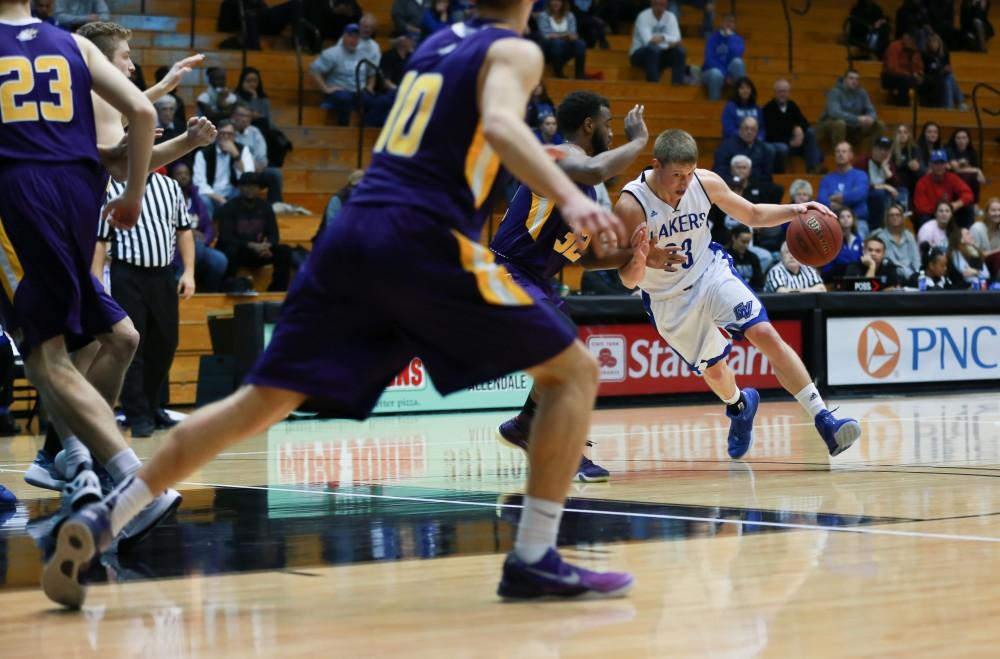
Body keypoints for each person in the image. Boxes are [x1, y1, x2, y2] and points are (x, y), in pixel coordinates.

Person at [47, 0, 636, 609]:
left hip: (355, 228)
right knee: (574, 374)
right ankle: (535, 556)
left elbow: (458, 132)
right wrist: (571, 194)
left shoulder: (434, 46)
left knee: (259, 403)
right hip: (422, 235)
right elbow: (499, 125)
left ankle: (104, 522)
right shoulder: (515, 48)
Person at [0, 1, 183, 602]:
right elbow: (141, 108)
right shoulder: (72, 45)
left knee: (45, 351)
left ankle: (130, 484)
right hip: (80, 191)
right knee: (104, 336)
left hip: (21, 186)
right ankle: (78, 475)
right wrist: (132, 194)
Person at [615, 128, 861, 464]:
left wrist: (798, 209)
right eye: (676, 175)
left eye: (689, 174)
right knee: (715, 373)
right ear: (656, 166)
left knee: (766, 334)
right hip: (668, 299)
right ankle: (739, 406)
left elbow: (753, 214)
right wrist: (642, 260)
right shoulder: (632, 204)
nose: (684, 184)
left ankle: (825, 420)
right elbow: (628, 280)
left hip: (710, 273)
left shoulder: (704, 182)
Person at [492, 92, 667, 483]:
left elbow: (584, 257)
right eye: (607, 123)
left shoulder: (584, 189)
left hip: (537, 280)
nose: (610, 130)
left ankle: (526, 425)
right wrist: (638, 142)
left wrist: (638, 255)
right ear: (590, 124)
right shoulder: (557, 157)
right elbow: (594, 169)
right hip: (509, 271)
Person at [96, 173, 195, 437]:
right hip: (127, 275)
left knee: (166, 342)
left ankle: (151, 406)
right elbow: (100, 240)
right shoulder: (113, 187)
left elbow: (184, 231)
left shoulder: (170, 186)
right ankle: (137, 414)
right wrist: (97, 283)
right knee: (133, 345)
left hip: (163, 275)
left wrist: (189, 272)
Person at [214, 173, 293, 291]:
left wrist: (267, 245)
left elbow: (274, 234)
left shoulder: (265, 206)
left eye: (254, 186)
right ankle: (228, 287)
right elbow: (226, 237)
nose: (250, 189)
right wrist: (251, 245)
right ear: (240, 188)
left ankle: (277, 290)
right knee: (230, 251)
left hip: (260, 252)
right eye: (246, 186)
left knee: (284, 251)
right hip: (239, 251)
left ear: (259, 189)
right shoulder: (229, 207)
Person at [310, 23, 393, 126]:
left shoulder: (363, 54)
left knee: (383, 101)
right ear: (343, 36)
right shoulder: (332, 53)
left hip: (359, 92)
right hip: (340, 92)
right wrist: (325, 89)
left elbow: (372, 73)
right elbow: (314, 70)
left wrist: (369, 86)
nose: (353, 40)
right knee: (345, 99)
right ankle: (344, 129)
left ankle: (365, 128)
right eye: (350, 36)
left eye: (356, 37)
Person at [170, 162, 229, 292]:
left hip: (199, 247)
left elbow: (208, 227)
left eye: (186, 173)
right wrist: (188, 233)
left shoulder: (197, 199)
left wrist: (204, 240)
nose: (183, 176)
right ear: (172, 178)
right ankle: (178, 279)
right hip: (174, 247)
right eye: (179, 174)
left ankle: (208, 293)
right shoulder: (168, 199)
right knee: (195, 243)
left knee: (220, 260)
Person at [192, 120, 257, 216]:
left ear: (234, 136)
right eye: (222, 133)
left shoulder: (242, 150)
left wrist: (236, 156)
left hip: (233, 193)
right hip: (212, 195)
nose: (226, 137)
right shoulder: (203, 153)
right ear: (216, 135)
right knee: (202, 199)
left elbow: (249, 178)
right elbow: (199, 183)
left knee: (245, 191)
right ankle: (208, 229)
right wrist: (220, 199)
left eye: (229, 134)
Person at [762, 79, 822, 174]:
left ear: (788, 92)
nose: (783, 94)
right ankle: (781, 175)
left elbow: (804, 122)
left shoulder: (792, 105)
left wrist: (799, 128)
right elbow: (770, 135)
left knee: (810, 132)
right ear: (775, 92)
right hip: (779, 145)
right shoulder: (768, 109)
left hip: (795, 143)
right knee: (783, 148)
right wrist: (790, 142)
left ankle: (813, 168)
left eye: (785, 91)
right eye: (780, 91)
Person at [817, 69, 884, 151]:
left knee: (879, 125)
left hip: (853, 127)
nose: (854, 81)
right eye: (851, 78)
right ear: (845, 79)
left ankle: (873, 156)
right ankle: (839, 155)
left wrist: (870, 118)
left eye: (856, 79)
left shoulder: (862, 93)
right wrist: (857, 118)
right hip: (831, 125)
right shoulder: (835, 92)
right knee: (840, 124)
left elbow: (871, 110)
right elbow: (834, 113)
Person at [231, 102, 284, 204]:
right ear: (233, 116)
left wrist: (247, 164)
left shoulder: (255, 132)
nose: (245, 119)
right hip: (232, 173)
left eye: (248, 116)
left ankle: (275, 206)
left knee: (274, 174)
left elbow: (262, 161)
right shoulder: (227, 131)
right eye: (242, 115)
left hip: (254, 172)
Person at [629, 0, 688, 85]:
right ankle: (654, 87)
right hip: (640, 54)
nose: (659, 8)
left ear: (666, 5)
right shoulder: (643, 16)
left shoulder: (671, 17)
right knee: (653, 50)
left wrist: (662, 38)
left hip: (661, 53)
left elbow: (678, 40)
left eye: (662, 5)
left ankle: (677, 87)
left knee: (680, 52)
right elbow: (649, 41)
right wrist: (669, 40)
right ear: (652, 4)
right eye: (656, 4)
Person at [914, 150, 974, 229]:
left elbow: (968, 194)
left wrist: (957, 204)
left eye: (942, 163)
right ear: (931, 165)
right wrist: (940, 210)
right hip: (932, 215)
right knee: (923, 218)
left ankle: (965, 234)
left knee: (968, 208)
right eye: (936, 163)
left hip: (950, 213)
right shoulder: (922, 182)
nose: (939, 166)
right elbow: (920, 208)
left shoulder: (952, 178)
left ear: (946, 165)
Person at [818, 142, 870, 231]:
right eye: (837, 152)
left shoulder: (861, 175)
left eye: (844, 151)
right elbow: (821, 200)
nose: (840, 154)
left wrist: (836, 199)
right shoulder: (827, 178)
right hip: (832, 220)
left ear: (851, 155)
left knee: (862, 227)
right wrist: (848, 198)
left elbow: (859, 195)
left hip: (857, 220)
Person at [857, 136, 904, 231]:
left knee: (902, 192)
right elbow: (860, 186)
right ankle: (876, 228)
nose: (883, 152)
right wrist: (884, 186)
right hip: (867, 197)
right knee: (879, 194)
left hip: (884, 198)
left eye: (886, 150)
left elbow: (897, 185)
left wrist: (886, 169)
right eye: (880, 149)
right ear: (873, 149)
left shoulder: (887, 163)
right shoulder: (862, 162)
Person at [881, 30, 938, 107]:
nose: (913, 43)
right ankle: (903, 107)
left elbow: (919, 66)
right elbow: (891, 68)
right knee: (905, 80)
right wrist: (909, 75)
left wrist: (919, 74)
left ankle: (928, 107)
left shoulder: (914, 49)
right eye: (912, 41)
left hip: (910, 76)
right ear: (906, 38)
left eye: (915, 41)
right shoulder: (894, 46)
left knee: (931, 81)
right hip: (890, 76)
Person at [712, 116, 776, 184]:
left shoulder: (763, 149)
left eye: (753, 129)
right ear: (740, 129)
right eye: (746, 128)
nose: (749, 132)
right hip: (731, 183)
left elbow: (767, 176)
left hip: (755, 184)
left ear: (757, 131)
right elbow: (719, 171)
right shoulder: (726, 147)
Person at [701, 13, 745, 102]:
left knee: (738, 62)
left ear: (735, 26)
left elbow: (736, 55)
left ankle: (741, 101)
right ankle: (714, 104)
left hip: (729, 73)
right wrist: (725, 75)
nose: (729, 23)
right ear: (721, 23)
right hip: (710, 72)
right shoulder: (712, 38)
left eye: (731, 21)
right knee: (717, 74)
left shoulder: (738, 39)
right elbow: (709, 60)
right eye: (726, 21)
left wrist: (730, 38)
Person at [871, 203, 920, 281]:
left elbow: (916, 258)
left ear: (902, 218)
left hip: (913, 275)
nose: (895, 217)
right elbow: (892, 261)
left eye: (897, 215)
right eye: (891, 215)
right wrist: (910, 275)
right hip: (894, 275)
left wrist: (918, 273)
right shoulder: (881, 237)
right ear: (887, 218)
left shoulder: (909, 236)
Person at [538, 0, 587, 79]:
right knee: (557, 43)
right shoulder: (544, 15)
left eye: (559, 1)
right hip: (549, 46)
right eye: (553, 0)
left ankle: (579, 75)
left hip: (565, 45)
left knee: (580, 44)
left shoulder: (570, 15)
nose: (556, 3)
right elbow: (545, 35)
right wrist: (565, 35)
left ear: (563, 3)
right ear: (549, 3)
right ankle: (559, 73)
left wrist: (566, 36)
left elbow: (573, 34)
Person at [922, 32, 964, 110]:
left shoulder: (944, 55)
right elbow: (929, 71)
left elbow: (948, 67)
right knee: (948, 79)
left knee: (949, 77)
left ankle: (950, 106)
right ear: (928, 44)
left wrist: (947, 69)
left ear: (939, 43)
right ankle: (958, 103)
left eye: (935, 42)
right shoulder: (925, 55)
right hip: (932, 78)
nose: (933, 44)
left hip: (943, 76)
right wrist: (942, 70)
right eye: (931, 42)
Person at [822, 208, 865, 280]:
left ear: (853, 219)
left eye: (848, 216)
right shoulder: (833, 238)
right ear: (837, 220)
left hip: (851, 273)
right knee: (849, 266)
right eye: (842, 217)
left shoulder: (858, 239)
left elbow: (861, 258)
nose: (846, 219)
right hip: (833, 273)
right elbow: (839, 260)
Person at [945, 128, 986, 204]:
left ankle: (974, 204)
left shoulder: (972, 152)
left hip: (966, 178)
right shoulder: (949, 150)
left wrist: (975, 170)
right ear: (954, 140)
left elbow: (973, 167)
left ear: (968, 139)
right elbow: (956, 169)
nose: (961, 140)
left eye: (964, 138)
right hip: (951, 176)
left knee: (974, 177)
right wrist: (977, 170)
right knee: (969, 175)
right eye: (958, 138)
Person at [890, 123, 924, 199]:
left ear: (909, 135)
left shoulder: (914, 148)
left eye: (905, 132)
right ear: (895, 134)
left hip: (912, 179)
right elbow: (891, 167)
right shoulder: (890, 149)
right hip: (897, 180)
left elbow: (919, 165)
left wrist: (915, 165)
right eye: (899, 132)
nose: (902, 135)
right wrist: (907, 165)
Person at [727, 225, 764, 291]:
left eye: (748, 242)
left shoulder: (753, 258)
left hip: (751, 293)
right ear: (734, 238)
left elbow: (759, 283)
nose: (746, 245)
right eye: (743, 241)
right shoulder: (725, 257)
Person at [236, 66, 273, 131]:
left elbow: (266, 119)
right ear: (242, 82)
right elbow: (250, 115)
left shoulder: (263, 99)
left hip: (261, 128)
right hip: (240, 128)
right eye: (248, 81)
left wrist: (254, 98)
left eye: (255, 81)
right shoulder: (236, 97)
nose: (252, 84)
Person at [970, 197, 1000, 264]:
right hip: (977, 267)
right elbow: (973, 255)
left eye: (999, 210)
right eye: (993, 210)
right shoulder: (976, 228)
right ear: (986, 212)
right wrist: (997, 251)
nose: (997, 213)